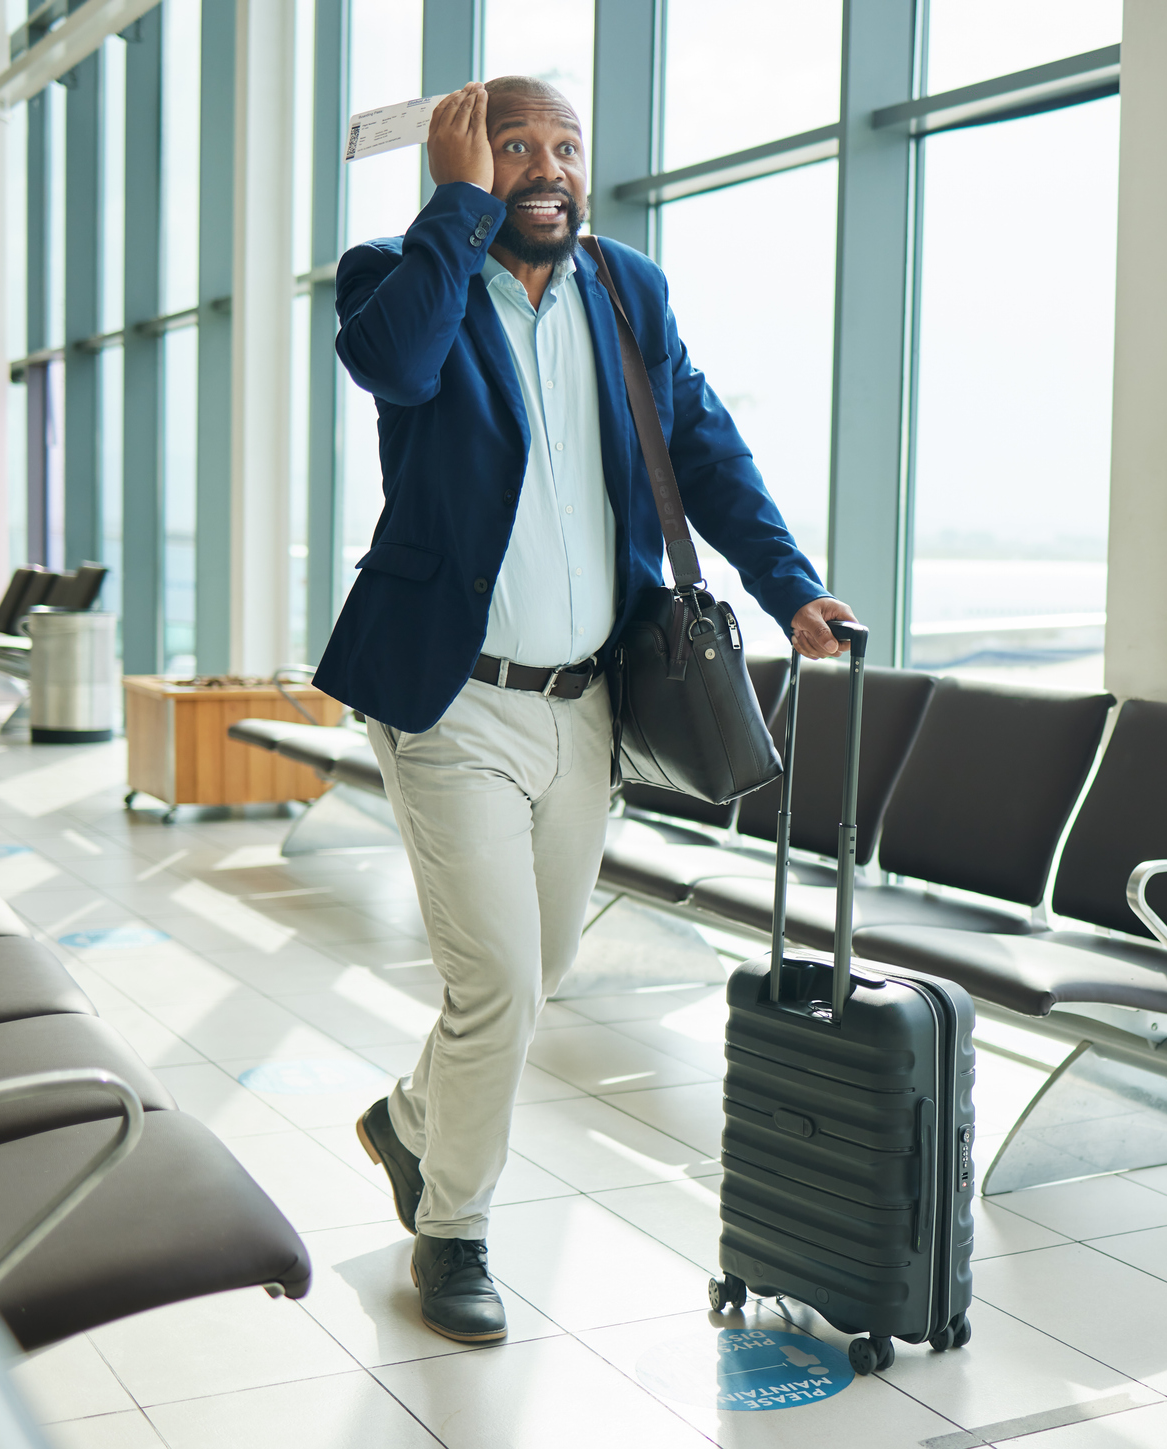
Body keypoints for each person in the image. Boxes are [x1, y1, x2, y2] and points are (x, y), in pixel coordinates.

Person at [317, 75, 855, 1343]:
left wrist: (791, 590)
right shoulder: (401, 273)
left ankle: (408, 1119)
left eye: (566, 146)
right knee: (498, 978)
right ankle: (453, 1230)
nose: (550, 168)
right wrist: (454, 206)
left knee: (535, 972)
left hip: (586, 702)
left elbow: (704, 446)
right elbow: (390, 370)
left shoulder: (629, 290)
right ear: (466, 162)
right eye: (517, 148)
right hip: (450, 700)